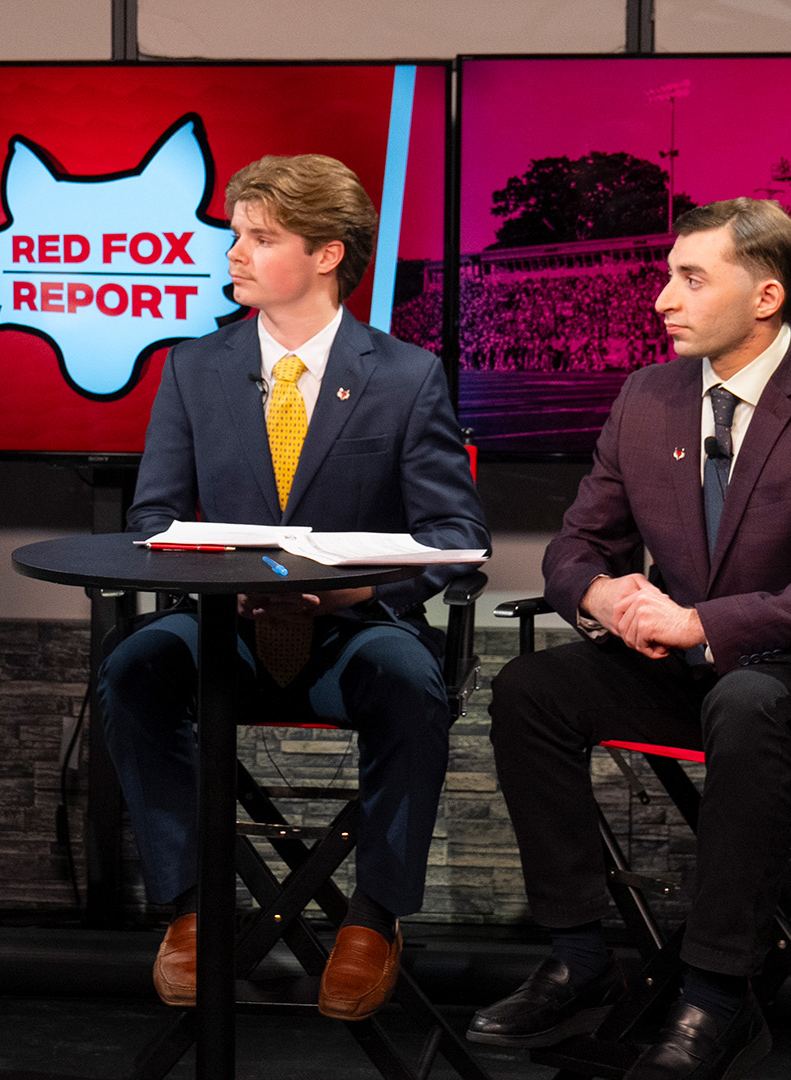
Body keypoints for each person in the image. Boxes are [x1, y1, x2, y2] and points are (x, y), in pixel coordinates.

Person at [470, 199, 791, 1080]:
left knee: (746, 700)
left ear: (765, 297)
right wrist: (599, 591)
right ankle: (578, 957)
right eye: (668, 276)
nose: (662, 299)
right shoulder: (648, 395)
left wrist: (703, 623)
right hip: (691, 671)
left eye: (691, 278)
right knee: (531, 691)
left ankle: (718, 995)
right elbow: (576, 544)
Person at [97, 154, 488, 1020]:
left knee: (410, 680)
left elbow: (457, 540)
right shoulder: (194, 368)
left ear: (326, 254)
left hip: (355, 630)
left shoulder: (406, 375)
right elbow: (152, 518)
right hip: (225, 629)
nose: (233, 252)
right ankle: (192, 907)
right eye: (237, 234)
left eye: (261, 238)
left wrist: (355, 594)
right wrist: (218, 579)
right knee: (132, 669)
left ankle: (374, 917)